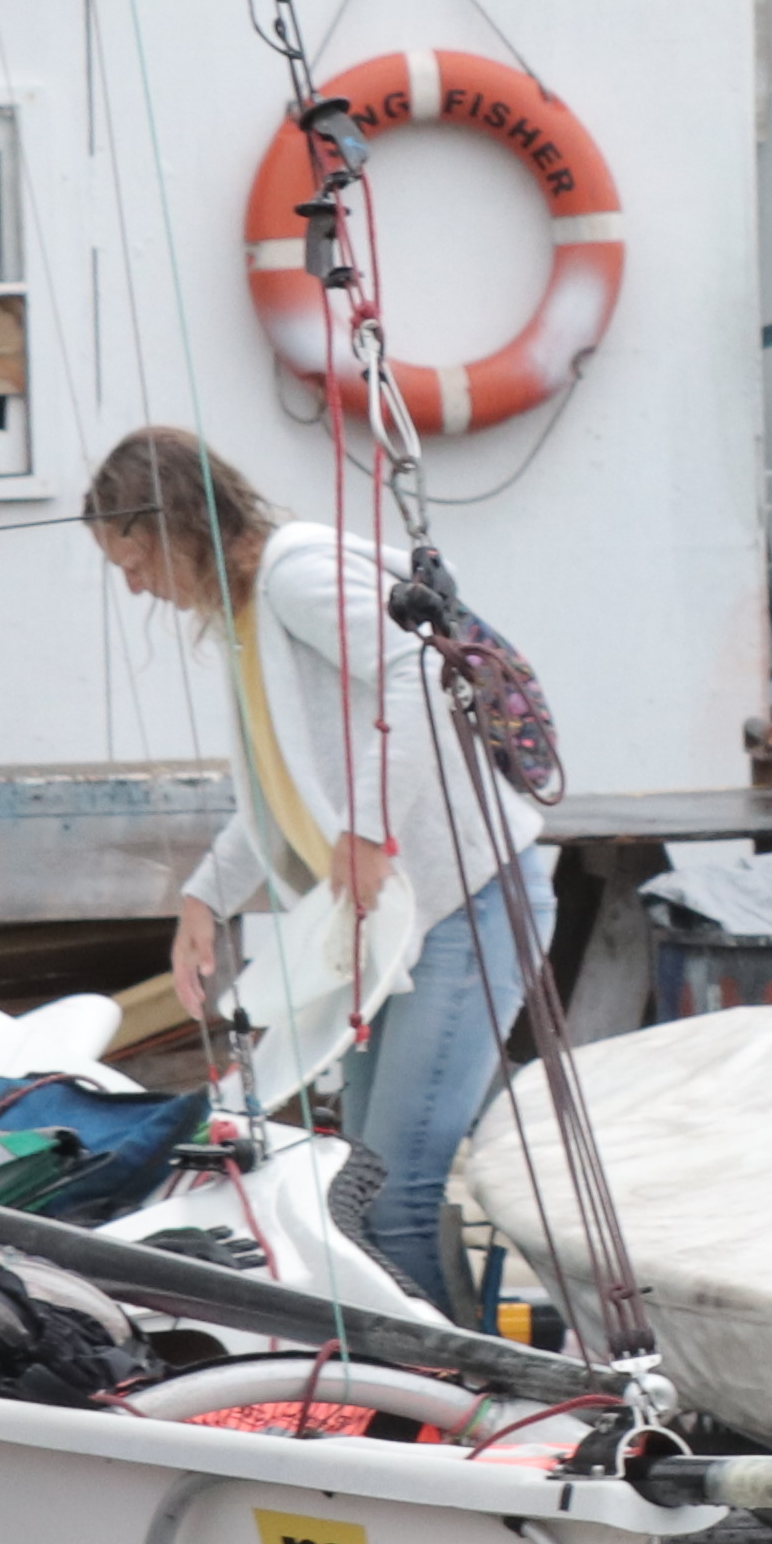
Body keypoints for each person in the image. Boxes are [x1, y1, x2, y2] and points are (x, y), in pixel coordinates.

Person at [86, 428, 552, 1312]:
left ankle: (461, 1383)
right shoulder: (247, 614)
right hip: (400, 924)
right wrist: (204, 899)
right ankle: (434, 1372)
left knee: (395, 1195)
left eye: (133, 560)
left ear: (174, 526)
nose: (137, 587)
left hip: (469, 904)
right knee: (357, 1190)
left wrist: (370, 830)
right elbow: (287, 792)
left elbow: (420, 675)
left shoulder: (294, 577)